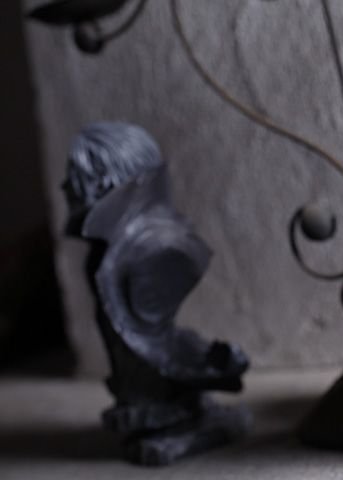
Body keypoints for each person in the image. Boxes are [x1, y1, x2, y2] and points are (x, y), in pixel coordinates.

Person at [63, 122, 250, 465]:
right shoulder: (106, 251)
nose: (65, 186)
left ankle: (187, 417)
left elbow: (153, 341)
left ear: (104, 182)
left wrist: (205, 363)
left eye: (75, 177)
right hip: (138, 390)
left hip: (161, 384)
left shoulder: (158, 249)